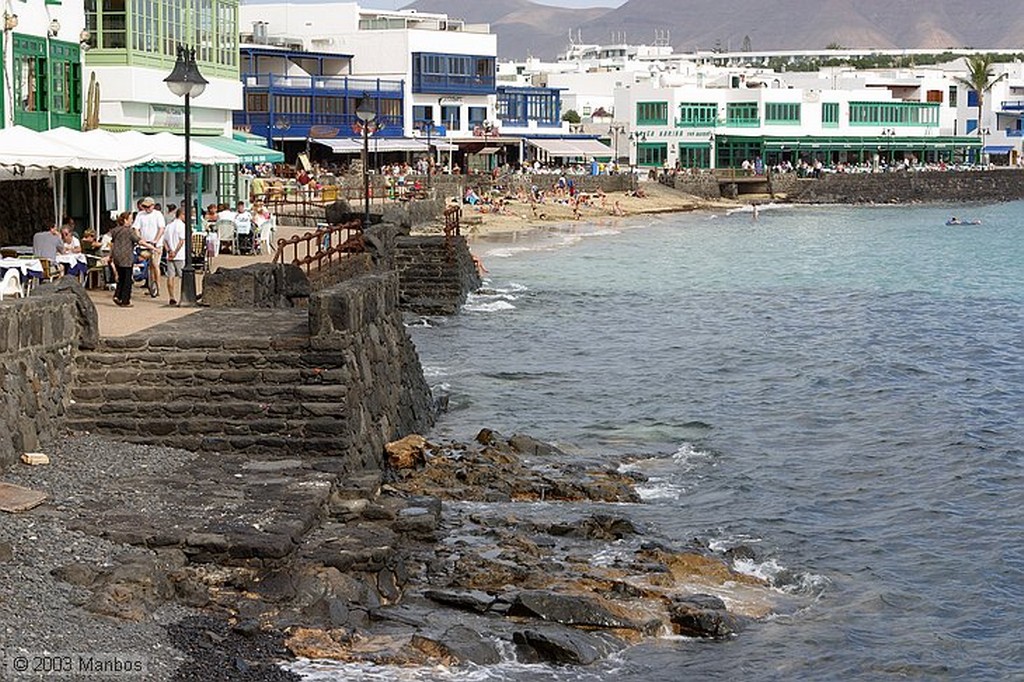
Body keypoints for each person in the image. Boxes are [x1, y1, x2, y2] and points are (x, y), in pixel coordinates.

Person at [109, 211, 154, 308]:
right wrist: (151, 247)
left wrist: (110, 256)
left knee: (121, 278)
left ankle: (117, 295)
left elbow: (112, 243)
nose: (132, 221)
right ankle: (125, 300)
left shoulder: (115, 230)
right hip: (126, 257)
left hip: (117, 256)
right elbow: (139, 241)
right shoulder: (129, 231)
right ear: (125, 220)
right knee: (127, 279)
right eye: (130, 219)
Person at [132, 197, 165, 297]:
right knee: (148, 265)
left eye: (148, 207)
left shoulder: (158, 214)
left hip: (156, 244)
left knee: (155, 264)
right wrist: (140, 238)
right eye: (144, 206)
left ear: (153, 206)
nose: (146, 209)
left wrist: (155, 240)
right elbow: (136, 228)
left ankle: (158, 287)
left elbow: (161, 229)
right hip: (144, 244)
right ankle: (150, 284)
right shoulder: (140, 215)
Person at [162, 208, 187, 306]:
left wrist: (169, 251)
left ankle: (171, 296)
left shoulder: (169, 226)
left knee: (170, 276)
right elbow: (181, 241)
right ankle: (184, 296)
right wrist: (175, 252)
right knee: (183, 277)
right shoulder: (182, 226)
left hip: (170, 254)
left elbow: (165, 240)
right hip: (179, 255)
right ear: (182, 215)